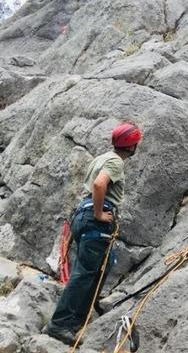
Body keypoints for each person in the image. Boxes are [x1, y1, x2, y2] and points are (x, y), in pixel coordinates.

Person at [44, 123, 143, 345]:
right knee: (85, 272)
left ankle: (79, 315)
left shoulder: (103, 157)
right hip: (95, 219)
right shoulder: (115, 162)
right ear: (132, 146)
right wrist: (99, 215)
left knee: (103, 266)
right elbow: (99, 185)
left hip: (84, 217)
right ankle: (60, 324)